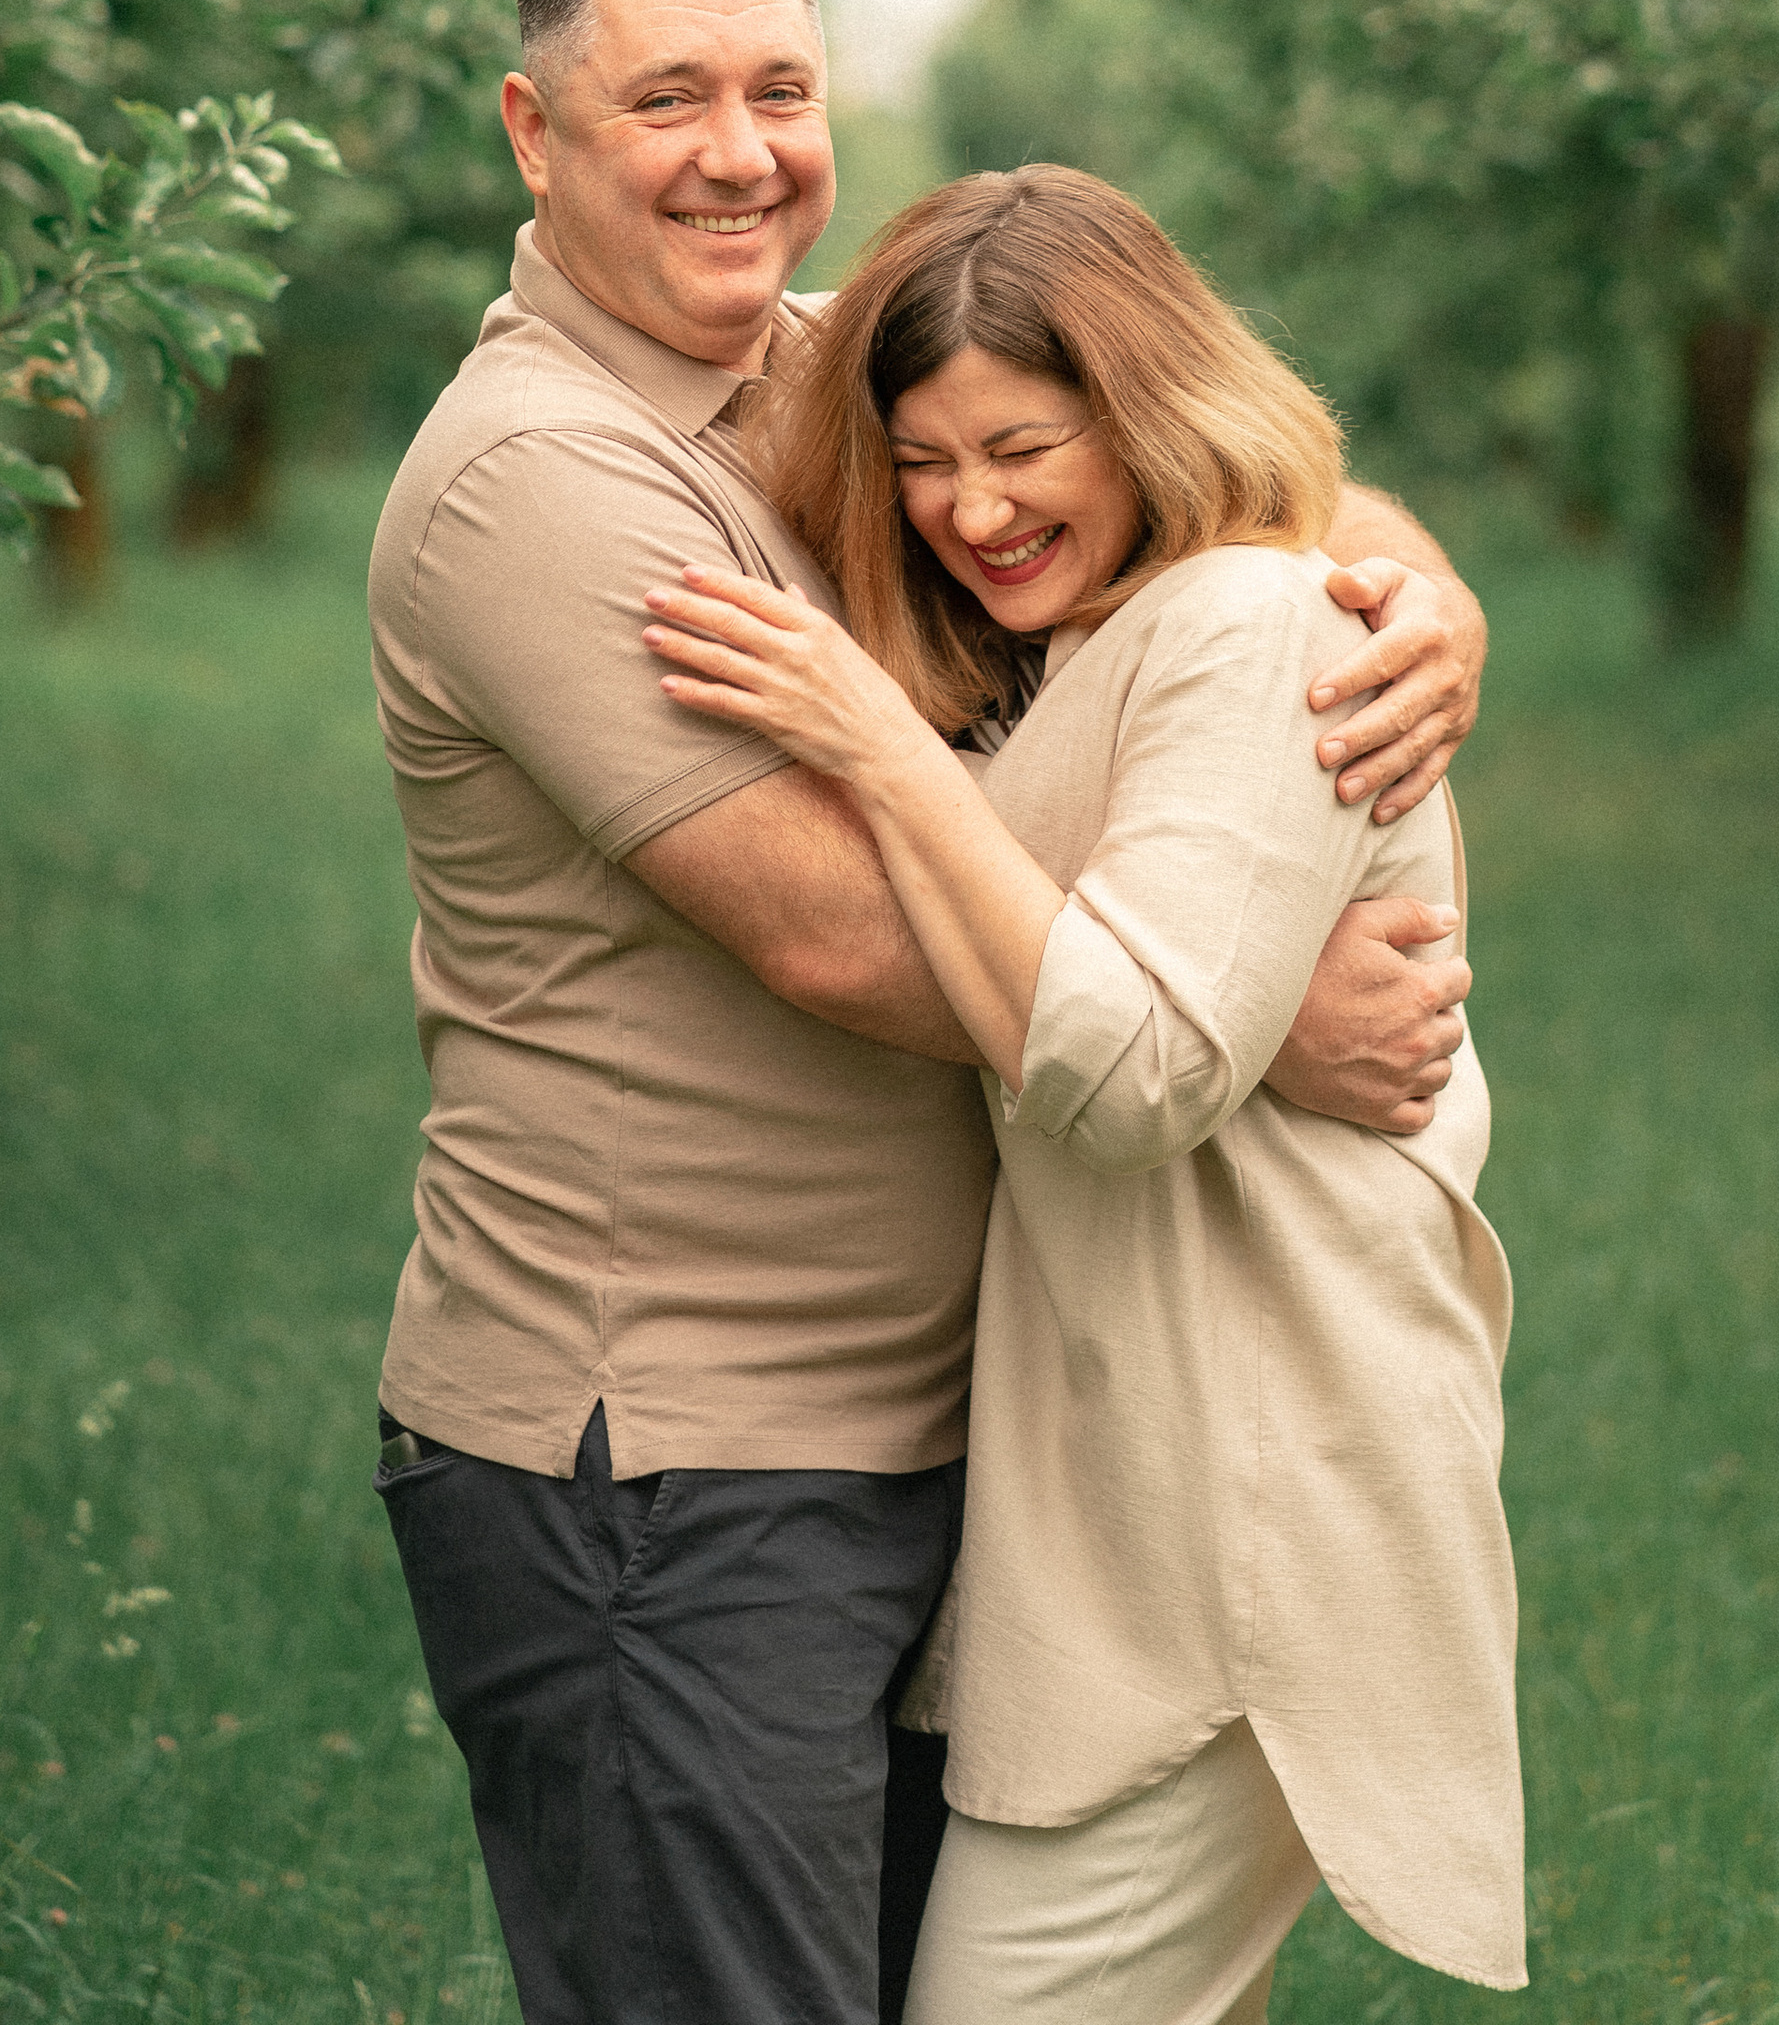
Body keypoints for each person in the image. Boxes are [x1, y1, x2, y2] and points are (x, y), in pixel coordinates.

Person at [368, 0, 1491, 2025]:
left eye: (777, 90)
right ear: (533, 132)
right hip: (669, 1465)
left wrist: (1425, 605)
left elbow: (1240, 472)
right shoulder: (544, 479)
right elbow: (831, 931)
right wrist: (1254, 1025)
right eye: (664, 98)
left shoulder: (825, 381)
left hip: (943, 1421)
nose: (737, 155)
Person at [646, 162, 1523, 2017]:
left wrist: (874, 748)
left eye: (1025, 445)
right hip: (1146, 1506)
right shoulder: (1079, 650)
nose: (970, 507)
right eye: (922, 458)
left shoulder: (1250, 627)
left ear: (1146, 410)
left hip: (1250, 1518)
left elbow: (1133, 1072)